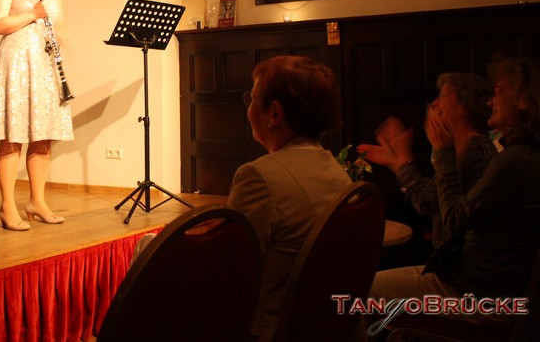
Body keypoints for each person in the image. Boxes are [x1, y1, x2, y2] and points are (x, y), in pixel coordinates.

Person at [368, 57, 540, 327]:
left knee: (358, 294)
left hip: (480, 295)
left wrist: (437, 152)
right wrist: (399, 161)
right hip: (471, 281)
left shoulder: (493, 154)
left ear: (523, 100)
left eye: (443, 97)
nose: (490, 101)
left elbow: (448, 216)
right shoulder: (514, 154)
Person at [228, 55, 351, 341]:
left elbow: (230, 272)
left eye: (251, 98)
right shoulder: (335, 170)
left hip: (266, 329)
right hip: (322, 324)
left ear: (274, 114)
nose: (248, 108)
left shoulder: (258, 176)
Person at [0, 0, 73, 232]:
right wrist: (32, 14)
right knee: (13, 135)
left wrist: (63, 38)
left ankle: (37, 201)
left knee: (43, 136)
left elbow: (59, 23)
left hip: (45, 65)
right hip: (17, 61)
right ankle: (7, 206)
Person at [358, 73, 497, 250]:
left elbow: (426, 203)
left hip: (459, 261)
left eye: (442, 97)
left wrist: (403, 161)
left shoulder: (473, 149)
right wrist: (397, 163)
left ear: (463, 106)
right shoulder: (466, 146)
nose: (434, 104)